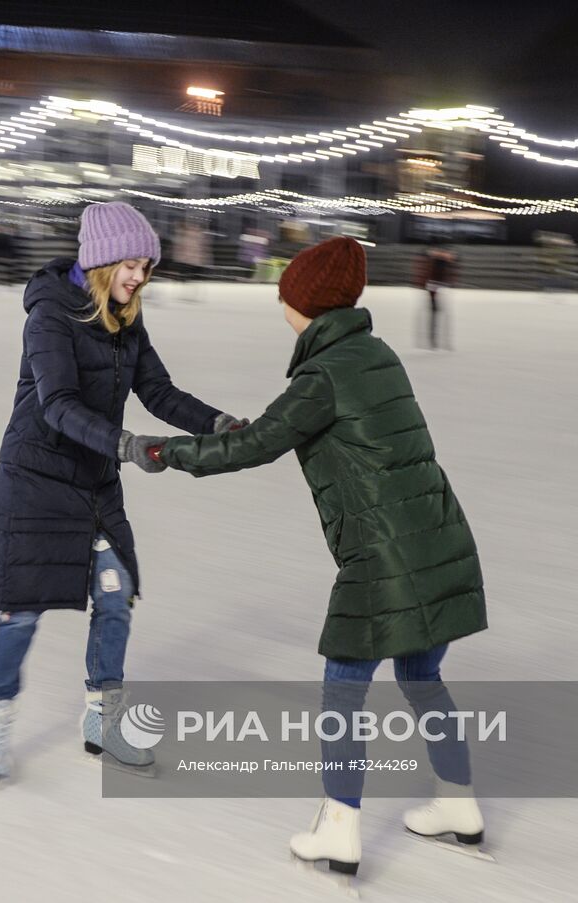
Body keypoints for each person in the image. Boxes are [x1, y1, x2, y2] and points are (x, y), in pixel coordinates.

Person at [144, 237, 489, 876]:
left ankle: (338, 827)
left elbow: (257, 448)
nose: (281, 302)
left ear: (305, 302)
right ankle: (458, 803)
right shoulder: (374, 354)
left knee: (343, 689)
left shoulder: (321, 374)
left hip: (384, 557)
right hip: (440, 540)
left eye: (287, 293)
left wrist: (163, 451)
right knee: (420, 678)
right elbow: (282, 430)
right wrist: (242, 428)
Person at [0, 201, 247, 785]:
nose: (140, 277)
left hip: (95, 481)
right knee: (23, 610)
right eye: (131, 265)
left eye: (147, 266)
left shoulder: (126, 318)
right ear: (100, 261)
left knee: (116, 597)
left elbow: (158, 389)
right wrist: (126, 445)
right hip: (36, 481)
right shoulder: (49, 316)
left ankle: (103, 719)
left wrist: (217, 422)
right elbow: (57, 404)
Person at [415, 241, 458, 349]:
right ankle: (434, 341)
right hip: (433, 286)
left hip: (435, 286)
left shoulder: (438, 260)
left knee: (437, 314)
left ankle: (436, 341)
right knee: (435, 314)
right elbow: (427, 274)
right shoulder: (436, 260)